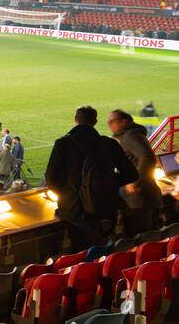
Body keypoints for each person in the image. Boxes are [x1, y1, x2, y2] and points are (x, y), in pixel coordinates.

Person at [45, 105, 139, 250]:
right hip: (105, 205)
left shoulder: (62, 144)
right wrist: (110, 184)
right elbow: (131, 174)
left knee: (81, 253)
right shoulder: (110, 144)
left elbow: (51, 179)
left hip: (74, 209)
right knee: (104, 249)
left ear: (76, 120)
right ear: (95, 122)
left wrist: (66, 194)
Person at [106, 109, 162, 237]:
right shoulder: (128, 135)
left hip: (139, 200)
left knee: (143, 240)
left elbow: (148, 157)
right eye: (109, 122)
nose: (110, 125)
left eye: (113, 122)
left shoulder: (130, 136)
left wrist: (135, 182)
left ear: (124, 121)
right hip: (138, 199)